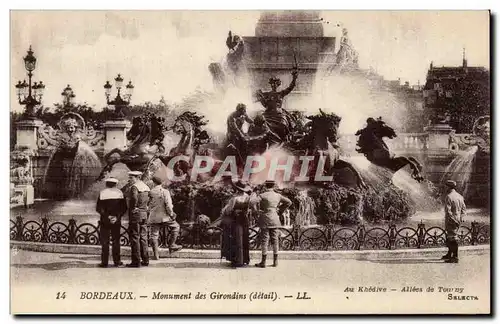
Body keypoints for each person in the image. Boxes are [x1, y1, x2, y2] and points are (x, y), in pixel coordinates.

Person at [255, 180, 292, 268]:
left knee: (265, 240)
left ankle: (263, 262)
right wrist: (280, 210)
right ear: (273, 186)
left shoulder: (262, 195)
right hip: (275, 218)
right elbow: (289, 202)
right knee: (275, 240)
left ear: (265, 186)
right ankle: (275, 262)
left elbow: (252, 202)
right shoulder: (278, 195)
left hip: (265, 218)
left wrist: (256, 211)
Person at [254, 68, 298, 141]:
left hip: (279, 115)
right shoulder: (266, 94)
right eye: (272, 84)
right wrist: (260, 96)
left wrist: (294, 78)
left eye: (275, 83)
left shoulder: (281, 93)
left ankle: (286, 138)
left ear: (278, 85)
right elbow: (264, 104)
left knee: (284, 124)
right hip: (268, 114)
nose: (273, 85)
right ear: (271, 85)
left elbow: (291, 87)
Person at [220, 181, 254, 268]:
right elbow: (251, 208)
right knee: (245, 238)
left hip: (236, 220)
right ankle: (245, 259)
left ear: (237, 189)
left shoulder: (234, 198)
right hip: (245, 220)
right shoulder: (248, 197)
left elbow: (228, 210)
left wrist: (225, 211)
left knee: (237, 239)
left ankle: (238, 260)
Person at [148, 176, 182, 259]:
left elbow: (148, 205)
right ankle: (172, 244)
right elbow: (168, 205)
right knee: (176, 227)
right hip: (164, 217)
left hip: (154, 217)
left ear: (153, 182)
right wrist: (171, 214)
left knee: (154, 235)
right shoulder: (165, 192)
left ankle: (156, 255)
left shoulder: (150, 192)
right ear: (161, 183)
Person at [96, 178, 128, 268]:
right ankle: (117, 262)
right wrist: (117, 217)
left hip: (105, 221)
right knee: (116, 241)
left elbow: (99, 208)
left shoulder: (102, 193)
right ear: (115, 184)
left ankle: (104, 262)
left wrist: (107, 216)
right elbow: (124, 208)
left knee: (105, 242)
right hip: (116, 221)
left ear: (106, 184)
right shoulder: (120, 193)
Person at [126, 171, 150, 268]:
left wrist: (133, 207)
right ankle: (145, 259)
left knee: (135, 237)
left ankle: (136, 261)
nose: (130, 179)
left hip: (136, 214)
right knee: (143, 237)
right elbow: (150, 198)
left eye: (131, 178)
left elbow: (134, 198)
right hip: (144, 214)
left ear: (137, 177)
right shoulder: (146, 186)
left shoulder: (135, 187)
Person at [442, 180, 466, 263]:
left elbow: (448, 211)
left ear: (448, 187)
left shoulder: (449, 197)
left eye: (445, 186)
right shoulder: (460, 196)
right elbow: (464, 210)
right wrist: (460, 219)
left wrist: (453, 220)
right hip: (457, 219)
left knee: (452, 238)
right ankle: (449, 254)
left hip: (451, 220)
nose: (445, 188)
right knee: (450, 237)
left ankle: (455, 257)